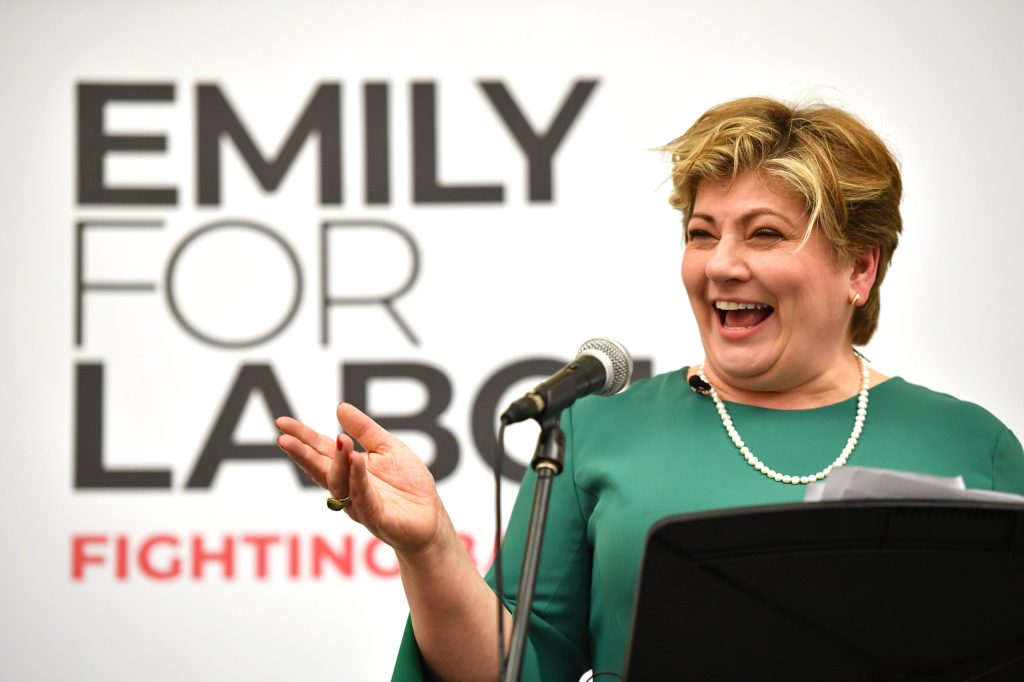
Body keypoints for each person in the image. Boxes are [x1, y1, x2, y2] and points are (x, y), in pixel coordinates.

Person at [276, 96, 1024, 681]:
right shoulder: (599, 432)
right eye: (702, 233)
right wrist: (430, 546)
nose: (721, 264)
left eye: (763, 233)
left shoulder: (972, 445)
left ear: (860, 267)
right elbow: (513, 667)